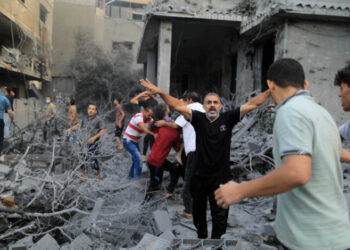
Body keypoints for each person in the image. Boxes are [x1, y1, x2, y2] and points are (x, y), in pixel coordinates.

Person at [215, 58, 350, 249]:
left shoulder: (291, 112)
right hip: (335, 234)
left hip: (312, 241)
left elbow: (296, 173)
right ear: (305, 85)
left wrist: (240, 190)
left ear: (270, 84)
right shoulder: (322, 113)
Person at [140, 79, 270, 239]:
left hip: (221, 178)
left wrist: (271, 91)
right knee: (198, 217)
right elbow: (177, 105)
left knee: (220, 220)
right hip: (199, 177)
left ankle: (216, 244)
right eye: (209, 102)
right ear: (204, 106)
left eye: (216, 102)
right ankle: (202, 239)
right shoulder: (198, 118)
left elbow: (252, 104)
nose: (212, 105)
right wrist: (160, 92)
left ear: (220, 106)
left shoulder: (228, 118)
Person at [155, 92, 205, 217]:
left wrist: (163, 123)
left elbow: (177, 126)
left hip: (194, 151)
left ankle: (190, 211)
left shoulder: (189, 109)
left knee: (187, 186)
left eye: (183, 101)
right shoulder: (204, 109)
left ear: (189, 100)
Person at [145, 103, 181, 201]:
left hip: (153, 160)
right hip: (157, 162)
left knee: (156, 182)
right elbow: (177, 149)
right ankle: (145, 205)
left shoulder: (160, 125)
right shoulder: (175, 132)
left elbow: (150, 127)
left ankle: (148, 204)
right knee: (155, 184)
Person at [72, 104, 106, 181]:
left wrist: (94, 137)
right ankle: (83, 176)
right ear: (87, 110)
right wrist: (70, 129)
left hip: (94, 143)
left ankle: (98, 175)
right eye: (89, 108)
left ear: (96, 111)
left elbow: (103, 130)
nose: (91, 110)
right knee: (82, 158)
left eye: (93, 109)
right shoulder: (85, 119)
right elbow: (79, 125)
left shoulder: (98, 119)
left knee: (93, 158)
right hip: (84, 142)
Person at [123, 104, 156, 181]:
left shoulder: (150, 119)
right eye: (148, 114)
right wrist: (154, 134)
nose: (149, 116)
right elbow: (144, 129)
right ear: (144, 111)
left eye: (151, 115)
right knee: (138, 159)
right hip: (128, 141)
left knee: (135, 160)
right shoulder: (138, 117)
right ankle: (136, 181)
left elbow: (154, 124)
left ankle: (129, 178)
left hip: (135, 142)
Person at [131, 91, 158, 162]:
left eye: (142, 97)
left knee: (149, 139)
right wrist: (150, 94)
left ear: (144, 97)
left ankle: (148, 157)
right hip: (156, 122)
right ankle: (146, 156)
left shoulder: (145, 102)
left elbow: (132, 101)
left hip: (154, 123)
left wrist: (140, 94)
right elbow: (154, 98)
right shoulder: (154, 101)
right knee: (149, 139)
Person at [0, 86, 15, 161]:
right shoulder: (8, 98)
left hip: (4, 116)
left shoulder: (5, 98)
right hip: (7, 115)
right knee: (1, 137)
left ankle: (7, 139)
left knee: (5, 128)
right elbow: (10, 112)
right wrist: (12, 119)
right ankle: (0, 155)